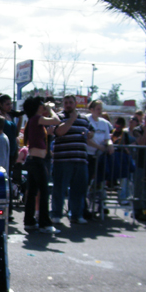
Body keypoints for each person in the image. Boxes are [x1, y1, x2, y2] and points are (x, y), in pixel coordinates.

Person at [51, 95, 94, 225]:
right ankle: (56, 214)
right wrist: (72, 119)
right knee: (59, 189)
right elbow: (59, 132)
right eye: (66, 103)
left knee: (79, 190)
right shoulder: (58, 117)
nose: (68, 105)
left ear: (75, 104)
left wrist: (89, 134)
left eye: (70, 102)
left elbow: (91, 133)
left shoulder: (84, 119)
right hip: (63, 161)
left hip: (80, 160)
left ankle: (77, 214)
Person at [22, 96, 61, 234]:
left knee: (32, 192)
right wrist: (50, 109)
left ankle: (29, 221)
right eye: (41, 105)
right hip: (37, 162)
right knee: (44, 192)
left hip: (34, 160)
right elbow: (57, 120)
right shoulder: (36, 118)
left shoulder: (33, 120)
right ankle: (45, 224)